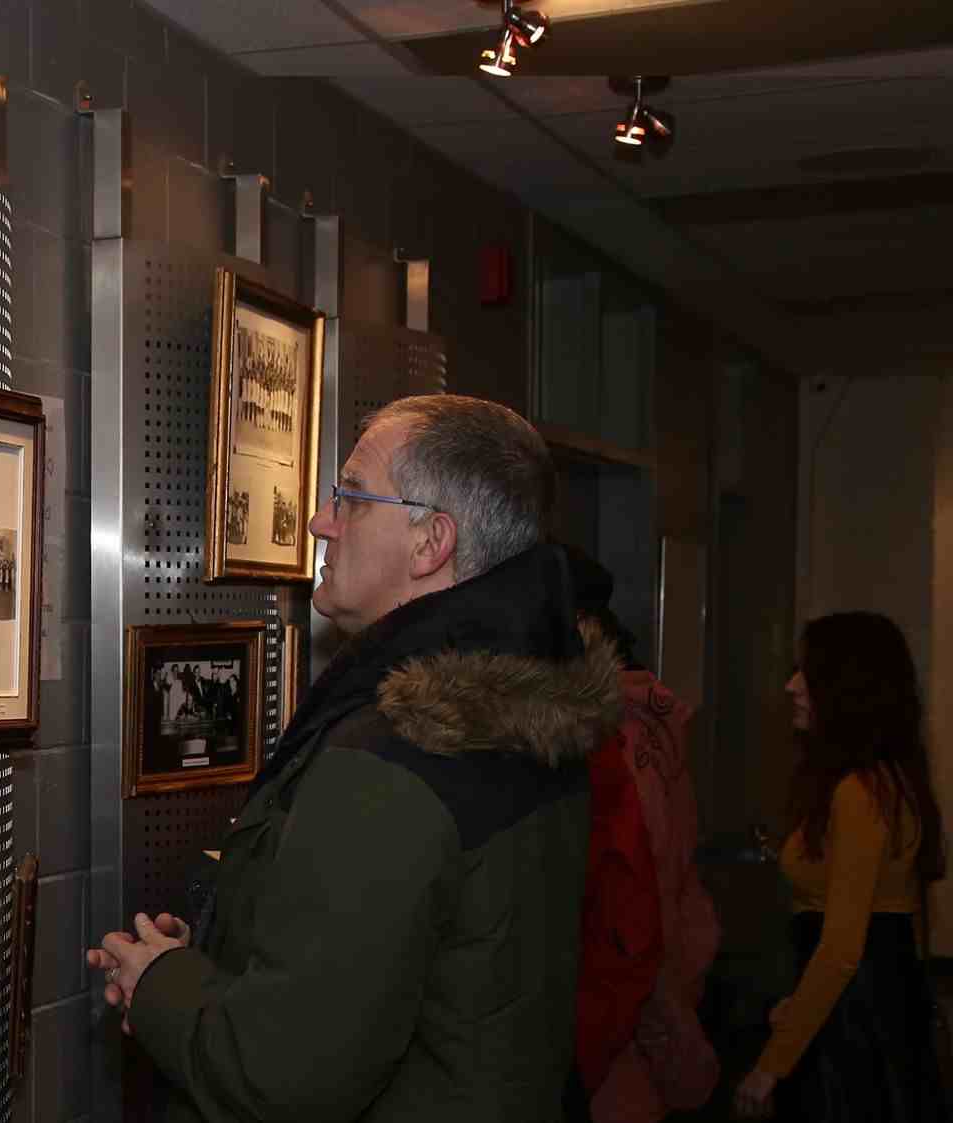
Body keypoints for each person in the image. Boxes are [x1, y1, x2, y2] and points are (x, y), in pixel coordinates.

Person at [86, 394, 623, 1121]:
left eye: (351, 497)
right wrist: (205, 963)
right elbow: (416, 972)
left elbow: (284, 1073)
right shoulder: (523, 715)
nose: (320, 522)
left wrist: (160, 987)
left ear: (431, 541)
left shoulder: (399, 756)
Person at [733, 612, 947, 1120]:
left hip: (853, 1030)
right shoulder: (893, 782)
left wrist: (770, 1066)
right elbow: (902, 929)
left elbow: (843, 949)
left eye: (806, 673)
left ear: (846, 689)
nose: (791, 686)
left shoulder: (858, 793)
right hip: (873, 1015)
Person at [564, 549, 720, 1123]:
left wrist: (676, 1048)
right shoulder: (640, 725)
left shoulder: (617, 744)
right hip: (641, 1027)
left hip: (621, 1047)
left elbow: (632, 918)